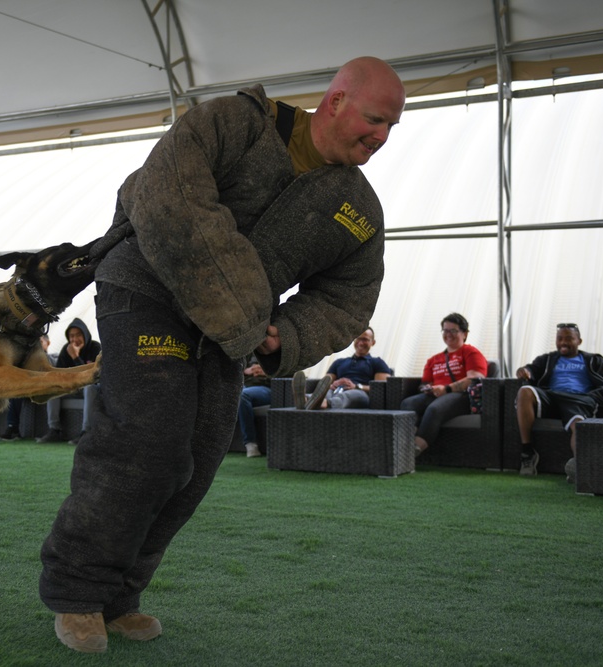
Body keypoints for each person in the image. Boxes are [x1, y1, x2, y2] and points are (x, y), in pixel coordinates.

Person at [40, 56, 405, 653]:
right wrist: (241, 306)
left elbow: (348, 297)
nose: (381, 137)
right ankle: (76, 591)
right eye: (373, 119)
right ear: (336, 101)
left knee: (199, 460)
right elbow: (167, 190)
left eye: (391, 127)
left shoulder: (358, 212)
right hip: (145, 291)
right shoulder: (237, 122)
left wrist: (285, 335)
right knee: (148, 441)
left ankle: (119, 597)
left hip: (233, 331)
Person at [515, 323, 603, 480]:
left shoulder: (593, 360)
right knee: (524, 392)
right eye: (560, 338)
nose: (563, 342)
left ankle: (578, 468)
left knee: (578, 425)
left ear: (579, 341)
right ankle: (527, 453)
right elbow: (531, 369)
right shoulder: (548, 359)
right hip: (551, 396)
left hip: (579, 399)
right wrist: (525, 371)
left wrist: (592, 398)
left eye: (569, 338)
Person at [400, 313, 488, 458]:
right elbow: (425, 383)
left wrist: (447, 389)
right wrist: (427, 389)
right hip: (436, 393)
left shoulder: (471, 352)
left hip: (461, 395)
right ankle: (402, 443)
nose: (448, 334)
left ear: (464, 334)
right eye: (445, 330)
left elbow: (475, 378)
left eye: (453, 331)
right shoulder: (434, 359)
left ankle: (412, 453)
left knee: (435, 409)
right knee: (408, 404)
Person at [36, 319, 100, 445]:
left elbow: (93, 376)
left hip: (89, 387)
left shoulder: (95, 347)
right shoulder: (66, 349)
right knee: (53, 386)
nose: (75, 339)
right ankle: (54, 429)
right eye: (71, 336)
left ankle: (85, 432)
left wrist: (76, 357)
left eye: (78, 335)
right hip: (71, 388)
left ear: (85, 335)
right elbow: (58, 374)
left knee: (90, 388)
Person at [307, 327, 392, 410]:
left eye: (365, 339)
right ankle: (308, 399)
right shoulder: (339, 362)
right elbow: (325, 381)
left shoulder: (377, 362)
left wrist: (356, 386)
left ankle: (325, 403)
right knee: (326, 393)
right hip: (337, 389)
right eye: (358, 338)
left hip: (359, 393)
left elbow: (382, 388)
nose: (361, 343)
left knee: (346, 396)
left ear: (373, 342)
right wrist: (333, 384)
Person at [0, 334, 54, 440]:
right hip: (28, 386)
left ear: (48, 343)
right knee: (13, 392)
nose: (38, 346)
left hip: (42, 386)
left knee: (16, 393)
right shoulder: (28, 359)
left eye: (40, 342)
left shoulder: (49, 359)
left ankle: (13, 427)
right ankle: (11, 427)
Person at [237, 356, 271, 457]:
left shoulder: (283, 352)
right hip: (244, 385)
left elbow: (291, 373)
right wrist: (247, 370)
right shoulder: (250, 351)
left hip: (268, 387)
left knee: (242, 395)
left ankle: (250, 443)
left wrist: (266, 372)